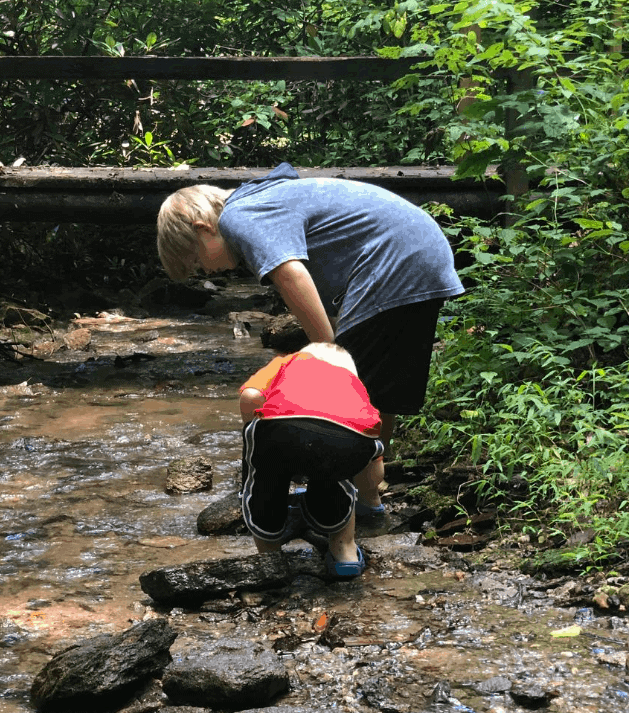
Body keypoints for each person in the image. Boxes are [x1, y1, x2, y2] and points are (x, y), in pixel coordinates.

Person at [156, 162, 463, 518]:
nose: (206, 272)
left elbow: (291, 274)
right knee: (375, 394)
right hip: (421, 255)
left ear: (203, 228)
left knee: (343, 394)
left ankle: (343, 503)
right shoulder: (266, 199)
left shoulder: (238, 216)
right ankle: (367, 498)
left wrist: (327, 352)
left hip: (394, 262)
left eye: (196, 260)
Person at [238, 342, 383, 577]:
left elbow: (251, 394)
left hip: (282, 431)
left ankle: (270, 556)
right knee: (338, 475)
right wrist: (372, 502)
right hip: (350, 438)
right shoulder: (353, 384)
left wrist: (253, 433)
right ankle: (344, 552)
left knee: (265, 476)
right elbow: (371, 460)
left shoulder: (289, 361)